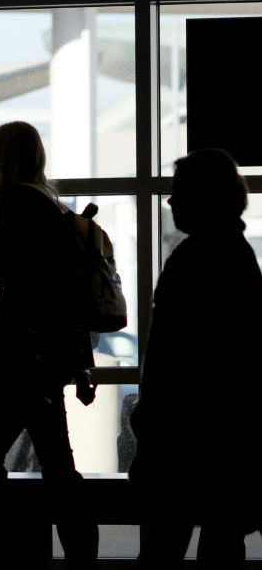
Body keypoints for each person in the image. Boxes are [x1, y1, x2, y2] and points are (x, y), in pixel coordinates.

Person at [0, 121, 99, 569]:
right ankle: (79, 561)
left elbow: (22, 280)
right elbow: (64, 290)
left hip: (26, 359)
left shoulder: (18, 202)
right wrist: (81, 364)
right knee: (58, 468)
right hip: (49, 355)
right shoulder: (49, 204)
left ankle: (8, 555)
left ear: (9, 157)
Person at [131, 149, 262, 569]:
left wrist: (149, 420)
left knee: (165, 543)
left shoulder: (194, 258)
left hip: (184, 436)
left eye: (176, 192)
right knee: (219, 544)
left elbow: (174, 356)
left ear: (201, 196)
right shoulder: (236, 255)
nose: (168, 202)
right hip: (222, 436)